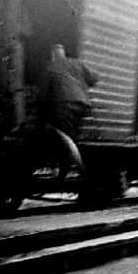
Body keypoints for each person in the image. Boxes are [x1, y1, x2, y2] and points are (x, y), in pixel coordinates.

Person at [38, 44, 98, 177]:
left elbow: (43, 95)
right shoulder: (78, 63)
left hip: (64, 105)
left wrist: (40, 113)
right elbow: (94, 78)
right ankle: (61, 176)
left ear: (53, 55)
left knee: (60, 136)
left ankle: (80, 172)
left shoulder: (51, 66)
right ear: (64, 53)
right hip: (81, 105)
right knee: (67, 138)